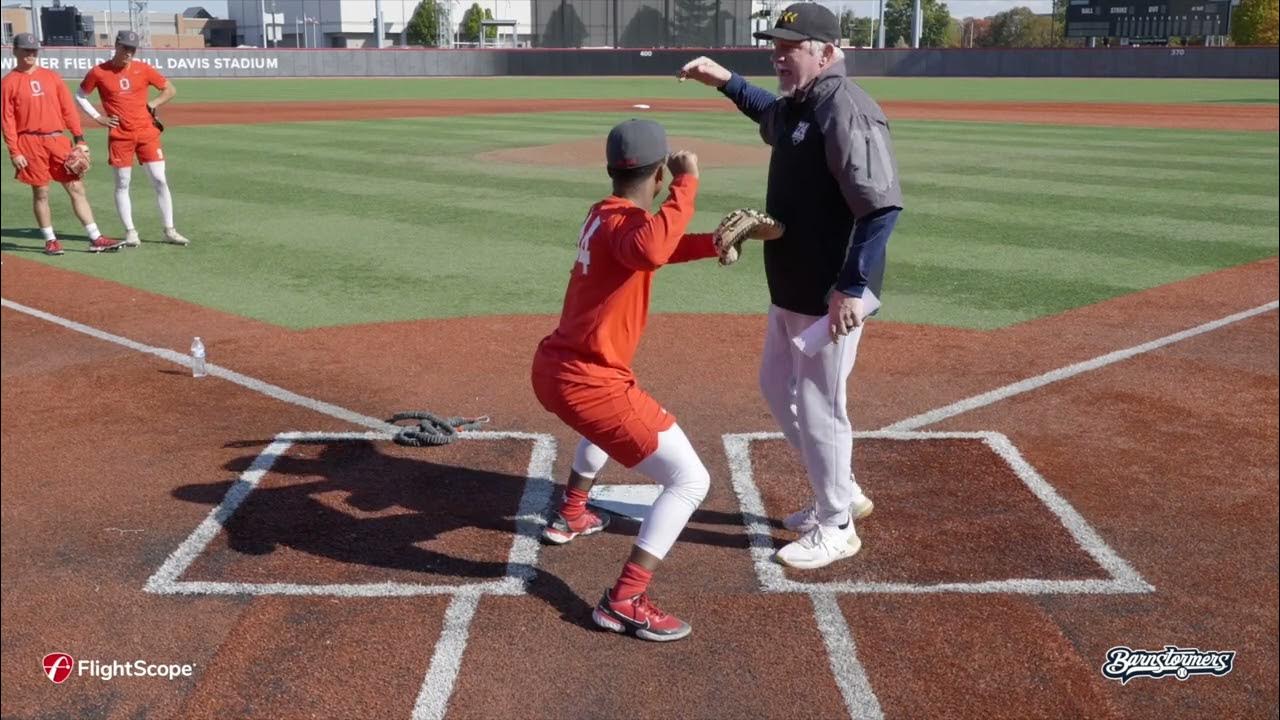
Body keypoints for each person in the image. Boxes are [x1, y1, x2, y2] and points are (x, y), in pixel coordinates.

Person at [678, 2, 903, 570]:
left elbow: (880, 209)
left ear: (826, 53)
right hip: (792, 281)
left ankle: (837, 523)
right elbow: (770, 112)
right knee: (778, 387)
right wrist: (724, 80)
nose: (778, 55)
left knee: (820, 404)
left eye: (790, 46)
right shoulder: (805, 105)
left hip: (830, 290)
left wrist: (850, 288)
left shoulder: (847, 111)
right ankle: (843, 489)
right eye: (774, 45)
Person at [531, 119, 719, 642]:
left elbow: (652, 246)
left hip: (555, 369)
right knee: (690, 481)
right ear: (658, 173)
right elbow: (652, 248)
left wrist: (711, 243)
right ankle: (625, 600)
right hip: (589, 380)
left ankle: (572, 513)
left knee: (605, 424)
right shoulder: (634, 226)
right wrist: (688, 183)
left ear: (611, 168)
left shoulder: (604, 214)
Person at [1, 33, 123, 256]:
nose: (30, 54)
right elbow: (6, 120)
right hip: (29, 141)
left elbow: (68, 108)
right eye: (26, 50)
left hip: (57, 139)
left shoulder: (51, 77)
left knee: (76, 187)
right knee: (41, 193)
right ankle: (50, 240)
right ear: (15, 51)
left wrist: (79, 138)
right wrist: (14, 151)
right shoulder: (8, 82)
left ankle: (95, 237)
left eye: (34, 50)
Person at [75, 30, 190, 248]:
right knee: (122, 183)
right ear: (116, 45)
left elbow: (169, 89)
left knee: (160, 179)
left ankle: (170, 229)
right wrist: (97, 117)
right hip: (120, 136)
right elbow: (80, 95)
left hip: (147, 133)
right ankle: (130, 232)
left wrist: (152, 105)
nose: (128, 52)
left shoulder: (143, 69)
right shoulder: (99, 72)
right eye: (125, 47)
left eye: (132, 49)